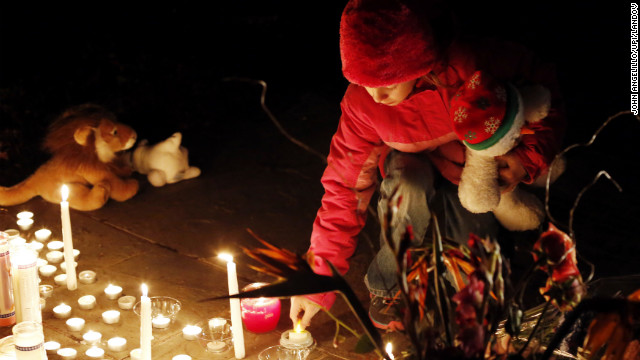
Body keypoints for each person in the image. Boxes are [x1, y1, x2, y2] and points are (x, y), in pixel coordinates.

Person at [290, 0, 566, 331]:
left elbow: (544, 95)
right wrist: (318, 282)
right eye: (364, 82)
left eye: (388, 82)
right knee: (408, 183)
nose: (377, 95)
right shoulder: (363, 106)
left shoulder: (470, 65)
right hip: (409, 168)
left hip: (466, 168)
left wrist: (527, 158)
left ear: (415, 61)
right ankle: (390, 288)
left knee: (472, 243)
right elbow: (344, 187)